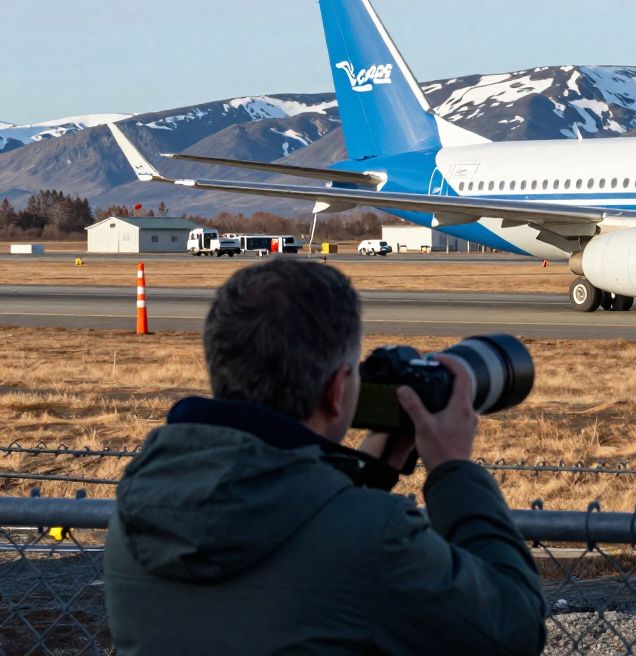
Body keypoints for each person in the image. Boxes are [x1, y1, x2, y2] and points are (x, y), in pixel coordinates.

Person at [104, 258, 545, 655]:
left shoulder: (138, 509)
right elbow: (514, 626)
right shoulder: (376, 538)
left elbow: (280, 543)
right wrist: (453, 471)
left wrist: (370, 471)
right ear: (337, 391)